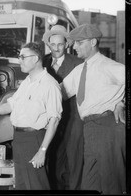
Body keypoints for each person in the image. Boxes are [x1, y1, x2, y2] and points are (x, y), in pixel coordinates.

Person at [0, 42, 62, 190]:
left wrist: (42, 151)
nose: (19, 60)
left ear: (35, 58)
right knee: (21, 185)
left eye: (23, 57)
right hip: (19, 139)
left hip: (34, 140)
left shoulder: (50, 85)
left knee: (37, 185)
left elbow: (54, 121)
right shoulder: (27, 82)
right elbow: (11, 105)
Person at [61, 23, 126, 194]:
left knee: (112, 183)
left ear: (93, 42)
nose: (74, 47)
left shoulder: (109, 66)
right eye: (74, 43)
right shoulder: (78, 70)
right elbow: (58, 93)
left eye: (79, 42)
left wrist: (122, 103)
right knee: (90, 184)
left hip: (109, 126)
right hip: (89, 129)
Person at [42, 25, 84, 190]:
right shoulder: (43, 62)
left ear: (67, 44)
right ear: (49, 44)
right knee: (54, 156)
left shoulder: (78, 63)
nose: (57, 48)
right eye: (53, 44)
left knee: (74, 158)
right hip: (50, 119)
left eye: (60, 44)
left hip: (73, 118)